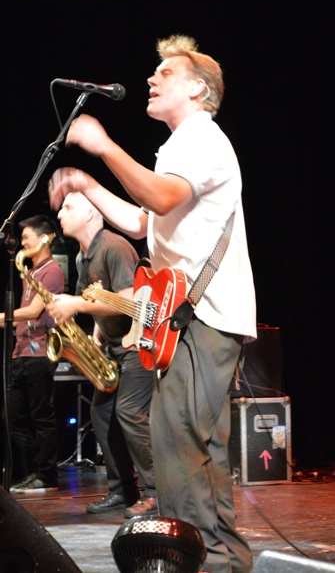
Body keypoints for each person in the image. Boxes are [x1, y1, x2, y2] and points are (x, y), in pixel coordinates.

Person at [49, 35, 257, 572]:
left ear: (197, 88)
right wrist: (89, 185)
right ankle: (224, 556)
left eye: (165, 72)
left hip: (202, 315)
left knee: (178, 438)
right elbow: (146, 221)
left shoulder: (202, 137)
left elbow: (159, 197)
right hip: (192, 316)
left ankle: (203, 558)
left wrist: (103, 146)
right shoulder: (181, 145)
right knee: (196, 441)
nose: (151, 78)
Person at [46, 191, 157, 516]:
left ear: (92, 215)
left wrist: (75, 305)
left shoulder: (114, 246)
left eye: (69, 207)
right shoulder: (83, 256)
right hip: (112, 347)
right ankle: (123, 490)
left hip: (137, 345)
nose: (61, 213)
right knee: (102, 414)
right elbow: (96, 302)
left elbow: (127, 299)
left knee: (129, 413)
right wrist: (95, 333)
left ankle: (156, 492)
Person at [0, 215, 64, 492]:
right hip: (22, 352)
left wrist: (2, 317)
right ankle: (29, 472)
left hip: (39, 355)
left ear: (44, 239)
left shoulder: (52, 271)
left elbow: (33, 312)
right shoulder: (30, 272)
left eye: (27, 237)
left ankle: (47, 476)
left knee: (41, 417)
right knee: (15, 416)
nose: (23, 241)